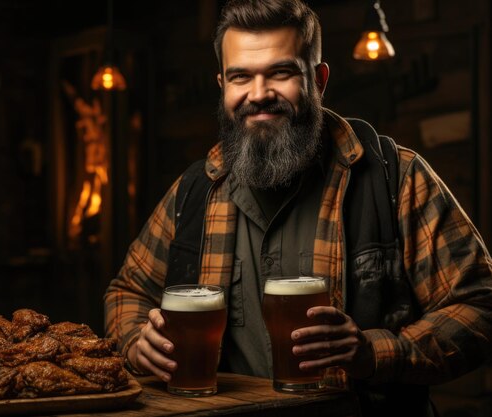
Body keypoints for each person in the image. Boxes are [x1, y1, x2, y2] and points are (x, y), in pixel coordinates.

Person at [104, 0, 492, 415]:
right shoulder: (195, 189)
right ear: (223, 85)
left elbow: (481, 305)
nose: (259, 95)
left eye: (281, 72)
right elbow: (127, 291)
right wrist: (135, 343)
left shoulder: (396, 177)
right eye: (240, 77)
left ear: (318, 80)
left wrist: (374, 353)